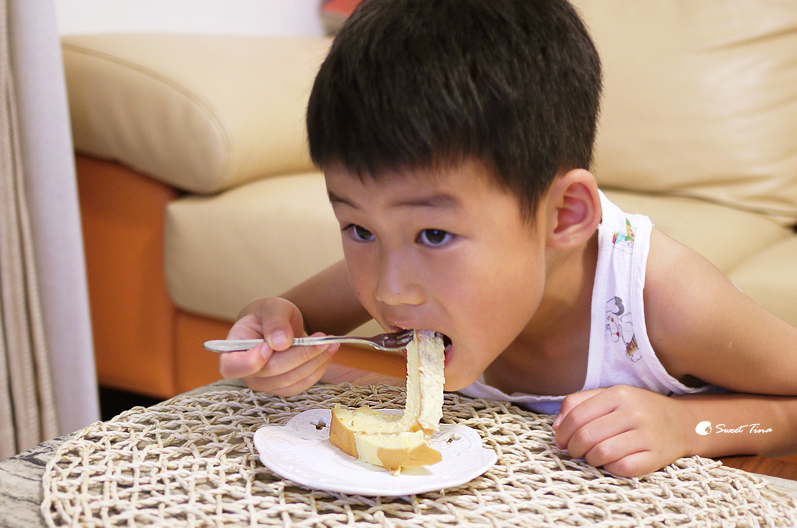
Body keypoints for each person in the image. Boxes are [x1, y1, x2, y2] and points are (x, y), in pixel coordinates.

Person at [218, 0, 797, 477]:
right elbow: (282, 320)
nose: (390, 292)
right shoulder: (402, 268)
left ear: (564, 216)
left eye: (436, 234)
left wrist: (689, 427)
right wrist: (271, 339)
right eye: (359, 228)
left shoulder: (664, 302)